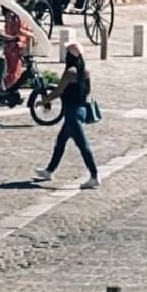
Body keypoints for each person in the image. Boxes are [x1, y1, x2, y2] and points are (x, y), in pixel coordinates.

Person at [33, 45, 99, 189]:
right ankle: (49, 171)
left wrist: (44, 101)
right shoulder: (85, 72)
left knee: (83, 145)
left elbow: (58, 91)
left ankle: (94, 175)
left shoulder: (70, 72)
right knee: (61, 141)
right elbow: (88, 90)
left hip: (71, 113)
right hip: (81, 110)